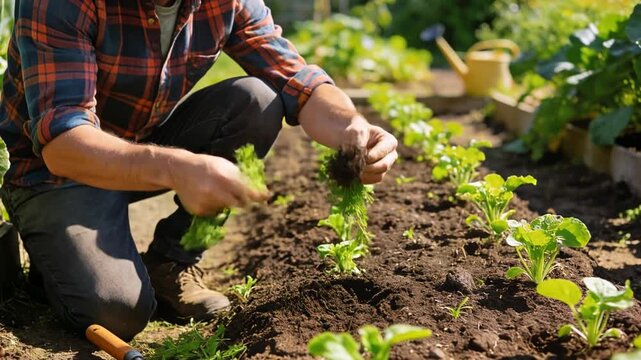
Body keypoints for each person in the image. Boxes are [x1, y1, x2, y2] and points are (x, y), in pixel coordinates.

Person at [0, 0, 398, 340]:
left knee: (256, 100)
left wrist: (352, 128)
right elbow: (63, 143)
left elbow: (295, 79)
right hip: (54, 174)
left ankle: (171, 262)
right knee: (117, 311)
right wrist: (177, 168)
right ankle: (54, 261)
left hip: (139, 147)